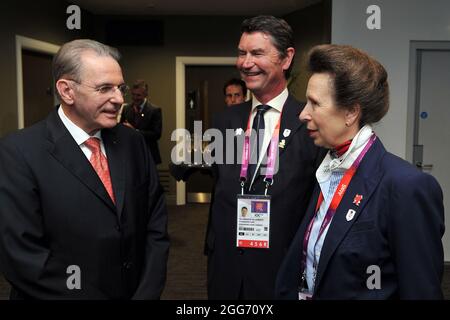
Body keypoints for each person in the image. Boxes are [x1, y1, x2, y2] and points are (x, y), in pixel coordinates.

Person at [0, 39, 169, 299]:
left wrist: (146, 293)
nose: (118, 99)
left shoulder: (132, 142)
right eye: (104, 88)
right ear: (67, 91)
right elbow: (23, 256)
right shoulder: (18, 152)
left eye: (120, 88)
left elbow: (155, 226)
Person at [275, 44, 445, 300]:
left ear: (351, 112)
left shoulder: (405, 186)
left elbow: (421, 290)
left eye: (314, 103)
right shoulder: (325, 170)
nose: (302, 114)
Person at [205, 15, 324, 300]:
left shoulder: (310, 123)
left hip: (282, 269)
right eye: (242, 53)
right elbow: (222, 188)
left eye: (257, 53)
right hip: (226, 268)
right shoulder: (224, 120)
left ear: (286, 59)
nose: (245, 63)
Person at [120, 80, 162, 165]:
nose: (135, 98)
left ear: (146, 94)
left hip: (148, 154)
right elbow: (121, 128)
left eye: (138, 95)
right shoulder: (126, 108)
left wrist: (135, 131)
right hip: (130, 154)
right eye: (133, 94)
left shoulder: (155, 110)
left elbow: (156, 134)